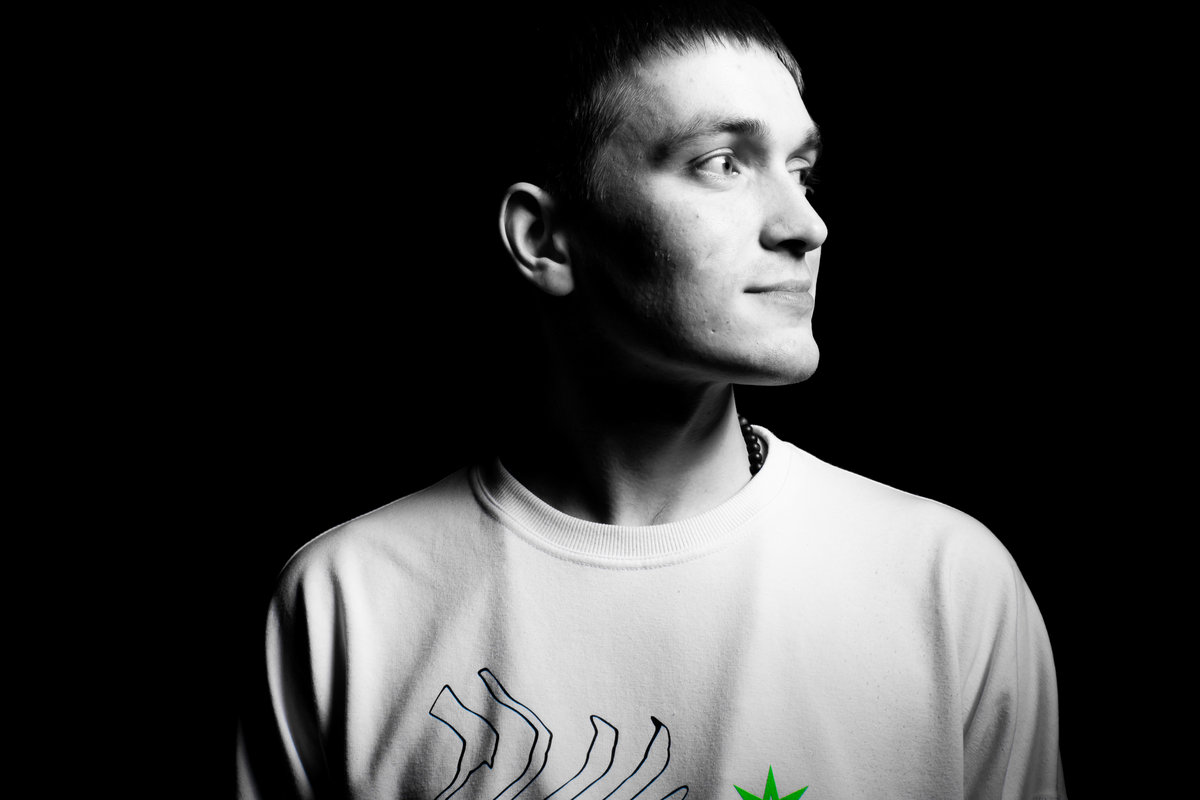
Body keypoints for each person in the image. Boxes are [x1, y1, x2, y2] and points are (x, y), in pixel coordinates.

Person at [236, 3, 1066, 798]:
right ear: (545, 240)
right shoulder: (347, 603)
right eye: (722, 163)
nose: (807, 225)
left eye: (803, 171)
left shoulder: (947, 584)